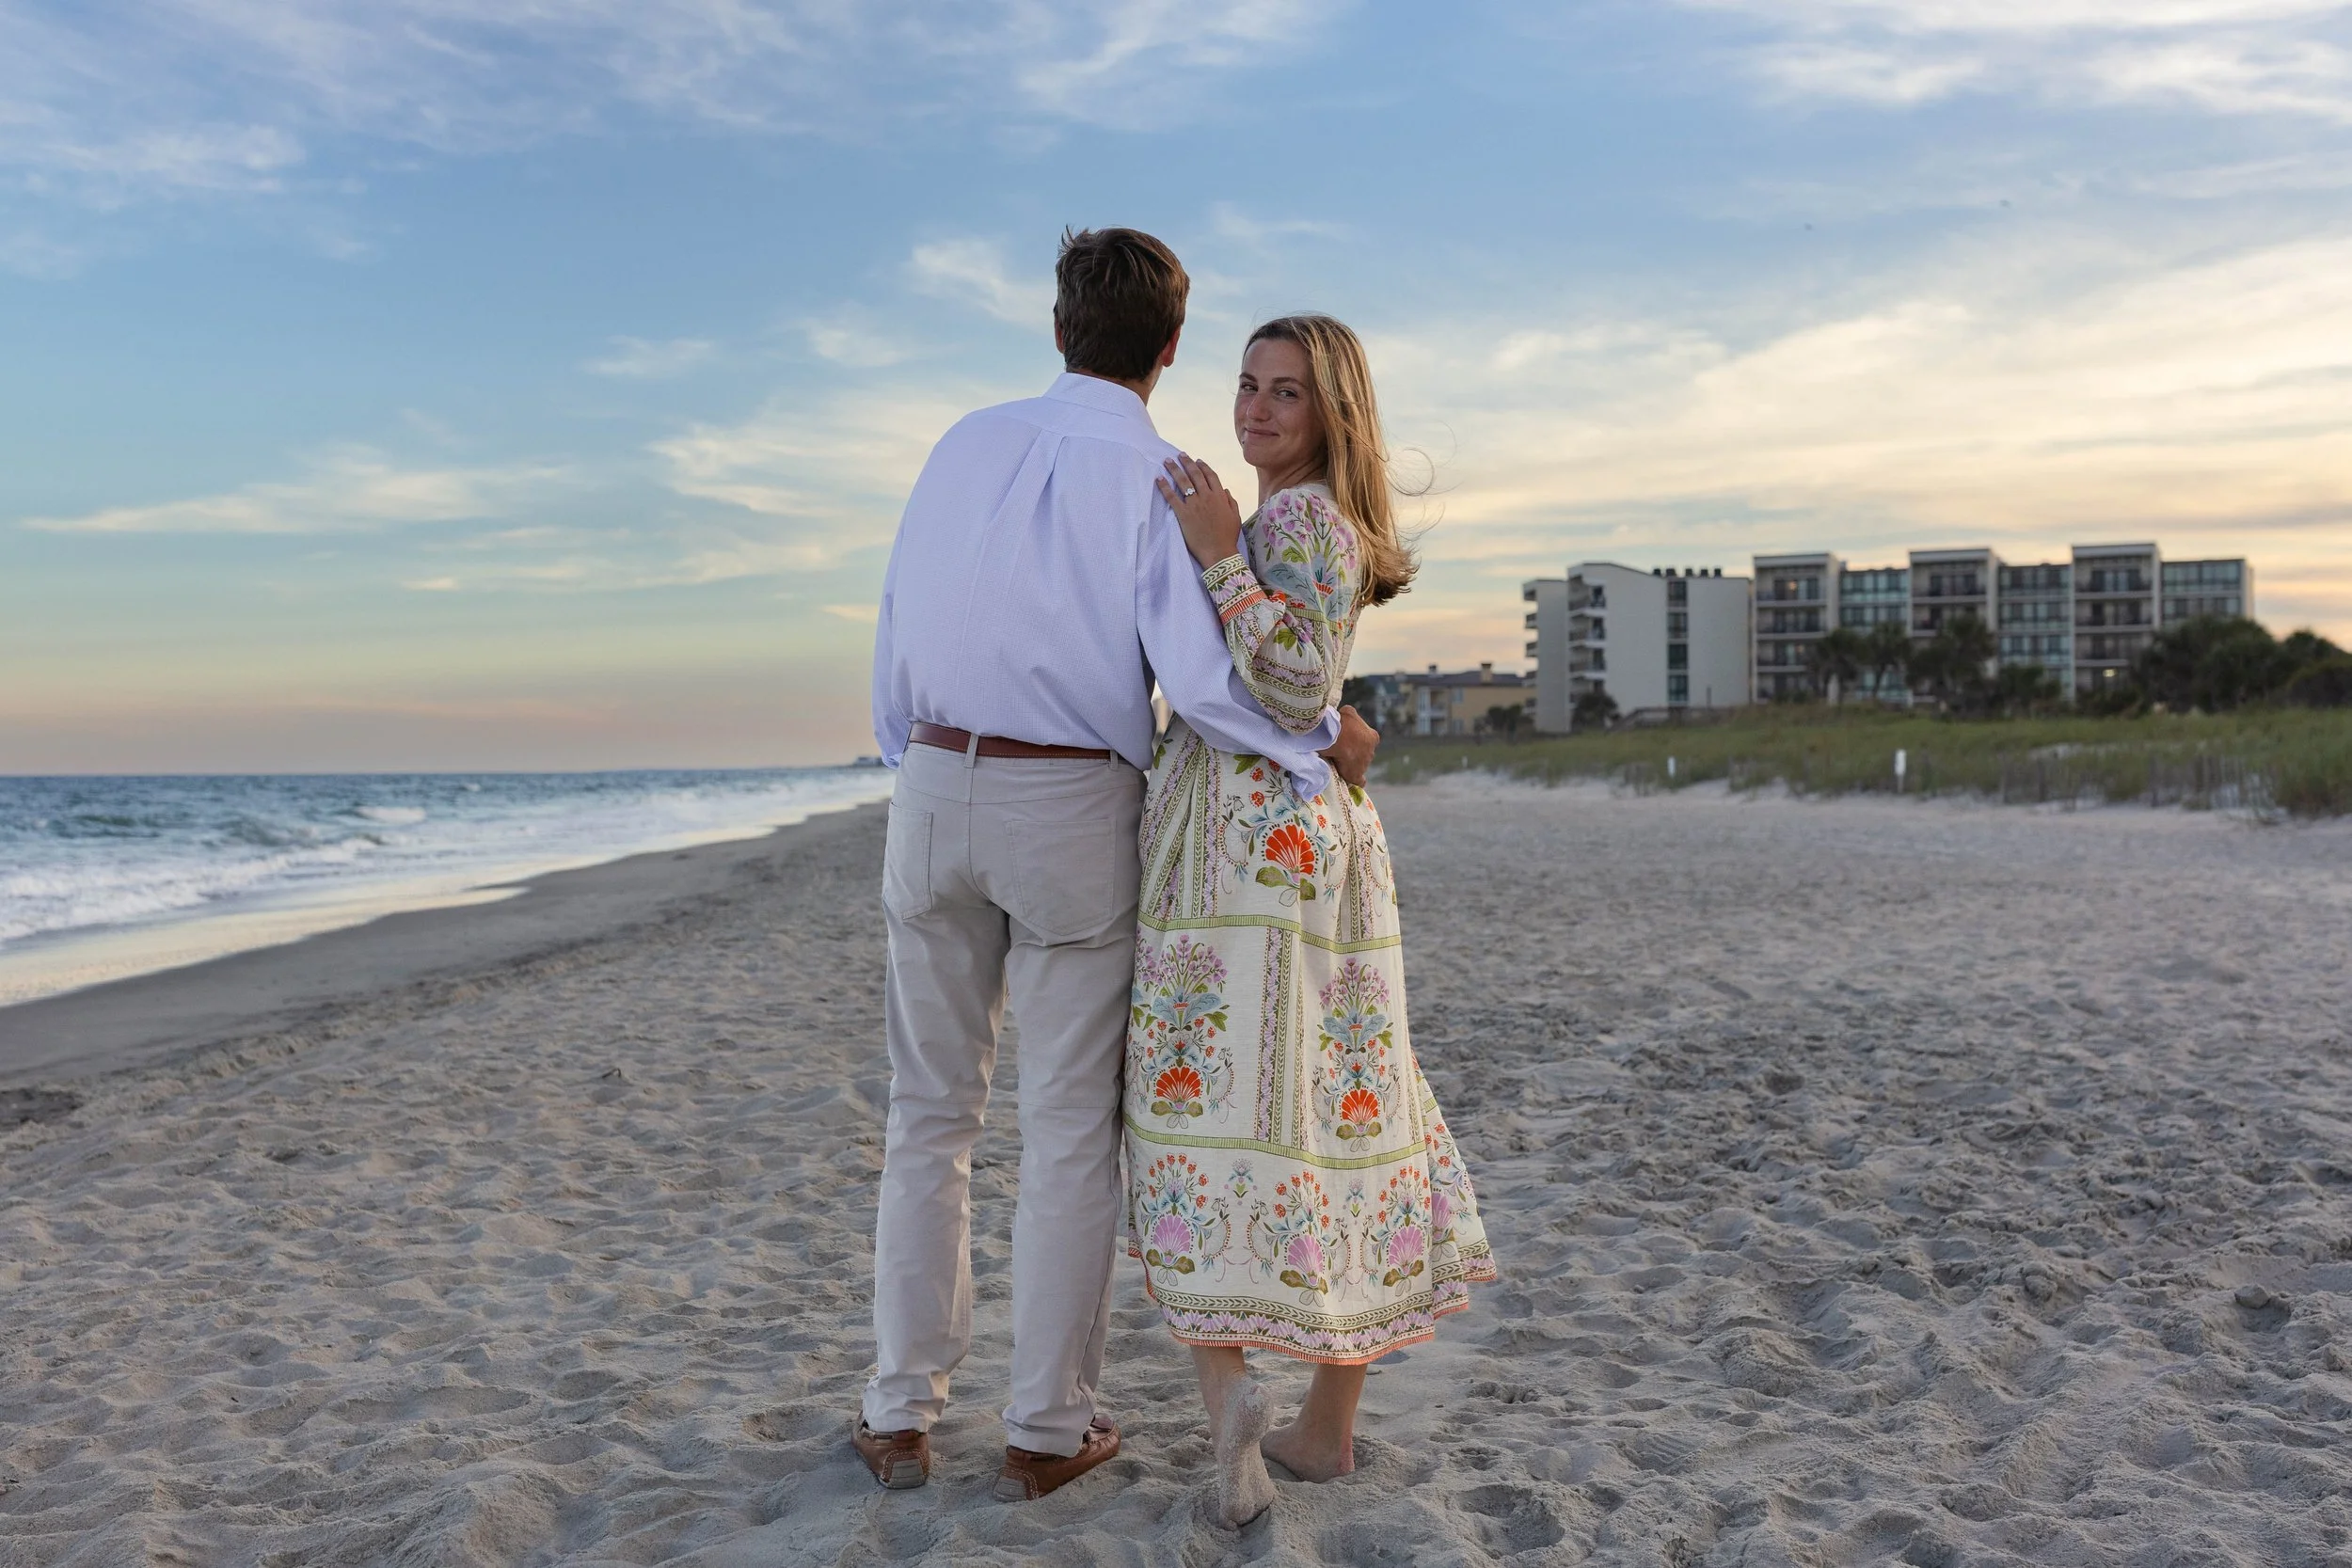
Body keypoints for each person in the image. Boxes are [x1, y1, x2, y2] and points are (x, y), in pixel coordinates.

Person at [856, 230, 1380, 1503]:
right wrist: (1331, 733)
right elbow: (1201, 678)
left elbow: (897, 619)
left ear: (1056, 328)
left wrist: (914, 759)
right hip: (1070, 800)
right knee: (1066, 1132)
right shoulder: (1160, 472)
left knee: (930, 1112)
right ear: (1171, 346)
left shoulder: (961, 442)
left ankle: (896, 1411)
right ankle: (1045, 1425)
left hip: (931, 779)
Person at [1128, 315, 1497, 1528]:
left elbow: (1286, 684)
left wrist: (1219, 555)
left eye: (1286, 392)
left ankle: (1252, 1398)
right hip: (1297, 848)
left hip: (1254, 857)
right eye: (1246, 385)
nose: (1257, 409)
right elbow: (1318, 699)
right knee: (1341, 1109)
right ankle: (1325, 1429)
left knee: (1221, 1107)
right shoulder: (1306, 521)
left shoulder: (1294, 521)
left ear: (1333, 412)